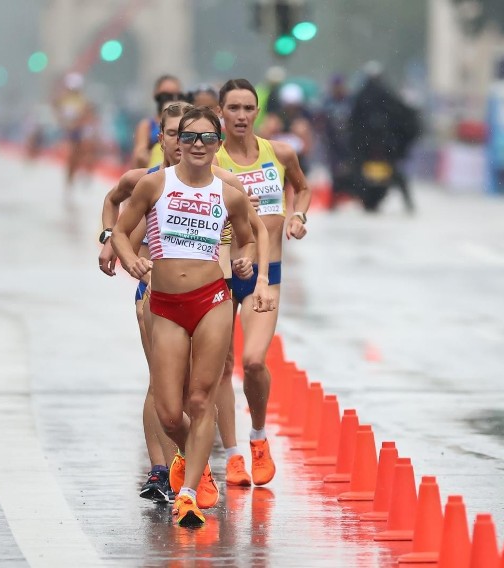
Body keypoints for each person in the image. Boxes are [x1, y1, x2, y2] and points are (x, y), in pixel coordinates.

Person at [111, 106, 274, 528]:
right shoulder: (153, 185)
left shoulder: (229, 192)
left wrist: (244, 263)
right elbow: (121, 232)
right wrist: (130, 260)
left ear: (218, 145)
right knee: (169, 411)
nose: (199, 145)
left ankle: (188, 495)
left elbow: (249, 238)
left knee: (201, 399)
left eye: (207, 138)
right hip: (164, 304)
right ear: (176, 142)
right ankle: (194, 463)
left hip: (211, 300)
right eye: (190, 137)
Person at [214, 78, 310, 488]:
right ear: (220, 112)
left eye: (247, 108)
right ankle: (233, 455)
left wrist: (298, 216)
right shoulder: (209, 160)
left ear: (257, 112)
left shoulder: (280, 153)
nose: (240, 116)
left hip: (265, 275)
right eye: (232, 108)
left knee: (253, 362)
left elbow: (302, 189)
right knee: (220, 368)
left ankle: (258, 437)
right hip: (218, 273)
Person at [349, 61, 420, 213]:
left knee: (394, 174)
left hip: (382, 146)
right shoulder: (378, 96)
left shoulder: (370, 96)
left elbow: (404, 119)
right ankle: (408, 204)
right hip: (375, 147)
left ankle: (408, 204)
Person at [131, 74, 186, 169]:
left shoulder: (188, 121)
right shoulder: (147, 125)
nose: (172, 99)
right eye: (166, 96)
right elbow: (140, 155)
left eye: (177, 95)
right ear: (156, 95)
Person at [320, 74, 355, 208]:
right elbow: (320, 121)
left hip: (350, 142)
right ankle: (333, 201)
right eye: (335, 87)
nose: (337, 89)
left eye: (339, 86)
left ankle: (354, 197)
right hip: (333, 144)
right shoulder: (327, 102)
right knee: (335, 172)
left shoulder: (350, 101)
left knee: (352, 170)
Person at [54, 72, 91, 187]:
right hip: (69, 132)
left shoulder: (83, 101)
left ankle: (82, 175)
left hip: (79, 131)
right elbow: (58, 112)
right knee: (71, 158)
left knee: (82, 154)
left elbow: (85, 116)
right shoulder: (63, 100)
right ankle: (70, 181)